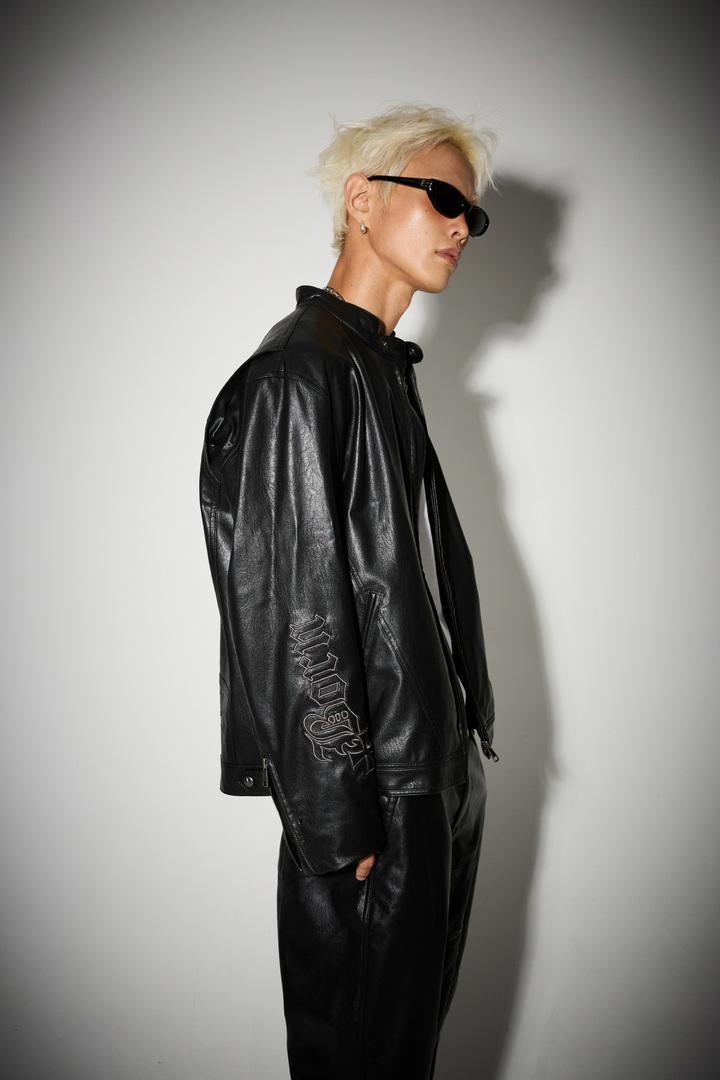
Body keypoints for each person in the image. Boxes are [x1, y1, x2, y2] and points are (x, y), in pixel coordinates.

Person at [199, 103, 497, 1080]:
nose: (461, 226)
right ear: (362, 200)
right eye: (443, 197)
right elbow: (290, 610)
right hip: (377, 800)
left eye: (472, 214)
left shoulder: (377, 367)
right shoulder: (303, 372)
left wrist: (459, 760)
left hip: (432, 775)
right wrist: (336, 817)